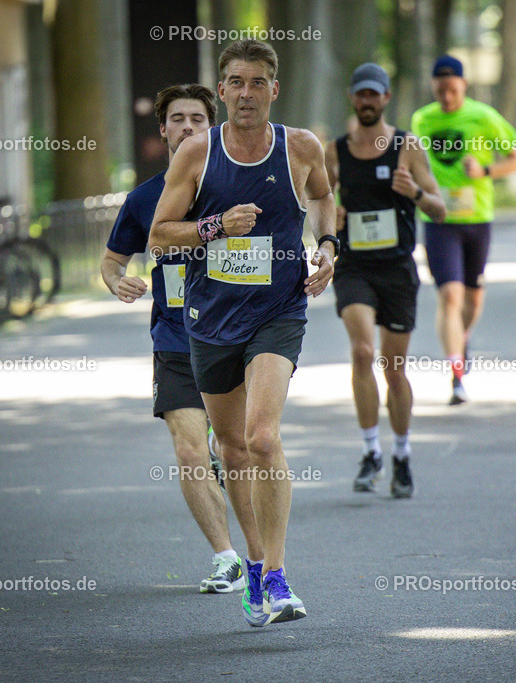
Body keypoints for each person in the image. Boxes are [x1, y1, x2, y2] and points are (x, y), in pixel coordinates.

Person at [148, 39, 337, 626]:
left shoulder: (300, 147)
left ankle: (278, 576)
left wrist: (328, 249)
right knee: (229, 447)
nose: (246, 93)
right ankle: (253, 564)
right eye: (236, 82)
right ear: (222, 89)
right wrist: (214, 226)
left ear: (274, 90)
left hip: (278, 311)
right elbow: (159, 234)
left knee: (261, 437)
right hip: (210, 317)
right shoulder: (198, 154)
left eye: (258, 82)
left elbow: (326, 201)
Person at [100, 83, 258, 595]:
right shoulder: (144, 198)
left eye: (197, 118)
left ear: (210, 127)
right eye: (178, 119)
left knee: (239, 446)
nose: (188, 127)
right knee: (190, 451)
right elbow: (112, 259)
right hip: (174, 337)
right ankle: (226, 558)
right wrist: (116, 280)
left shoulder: (234, 186)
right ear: (163, 128)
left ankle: (263, 555)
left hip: (233, 336)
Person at [324, 63, 446, 498]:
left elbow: (439, 209)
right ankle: (370, 450)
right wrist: (328, 216)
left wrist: (413, 191)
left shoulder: (406, 146)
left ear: (387, 98)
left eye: (374, 95)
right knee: (361, 352)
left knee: (394, 368)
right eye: (361, 95)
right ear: (353, 98)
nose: (367, 102)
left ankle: (402, 454)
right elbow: (313, 198)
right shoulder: (335, 151)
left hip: (397, 268)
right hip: (354, 265)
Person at [410, 54, 516, 405]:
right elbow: (414, 161)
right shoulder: (422, 119)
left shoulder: (484, 117)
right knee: (450, 296)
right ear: (433, 87)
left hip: (477, 219)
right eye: (440, 90)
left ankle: (463, 336)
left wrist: (485, 172)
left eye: (453, 90)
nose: (446, 97)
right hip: (439, 220)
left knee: (473, 297)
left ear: (464, 86)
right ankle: (456, 375)